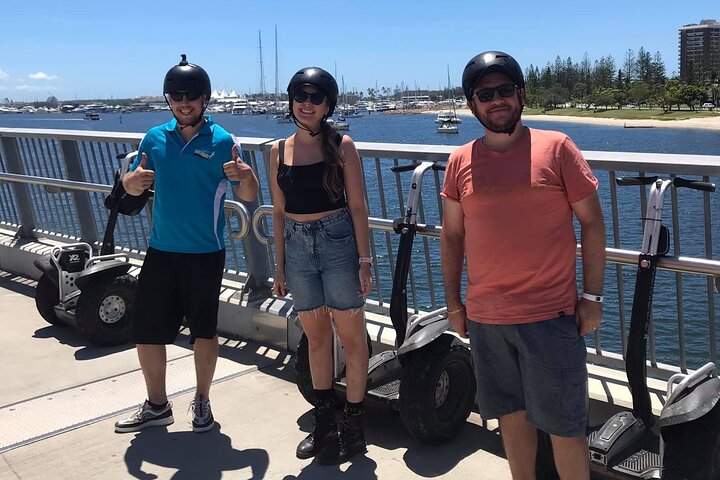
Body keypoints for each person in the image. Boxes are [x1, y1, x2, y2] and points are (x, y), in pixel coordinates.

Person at [440, 51, 606, 480]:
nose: (497, 101)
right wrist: (454, 303)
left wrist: (592, 296)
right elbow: (453, 236)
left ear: (521, 95)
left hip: (550, 316)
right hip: (487, 318)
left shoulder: (558, 148)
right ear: (472, 104)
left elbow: (592, 223)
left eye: (505, 91)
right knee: (510, 421)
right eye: (485, 94)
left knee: (566, 428)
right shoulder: (460, 161)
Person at [114, 54, 259, 434]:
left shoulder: (224, 140)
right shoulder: (154, 138)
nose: (184, 101)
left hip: (205, 255)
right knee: (147, 332)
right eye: (176, 94)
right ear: (168, 99)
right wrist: (130, 184)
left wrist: (246, 176)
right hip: (161, 251)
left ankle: (202, 400)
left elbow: (248, 193)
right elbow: (131, 183)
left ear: (205, 99)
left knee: (204, 332)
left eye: (192, 95)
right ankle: (157, 405)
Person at [269, 67, 373, 465]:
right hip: (297, 247)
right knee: (314, 339)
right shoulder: (278, 150)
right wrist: (279, 267)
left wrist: (365, 260)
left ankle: (353, 424)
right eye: (300, 96)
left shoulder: (341, 145)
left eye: (316, 97)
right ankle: (325, 422)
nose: (307, 103)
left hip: (337, 243)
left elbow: (358, 206)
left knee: (351, 337)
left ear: (328, 104)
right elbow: (279, 212)